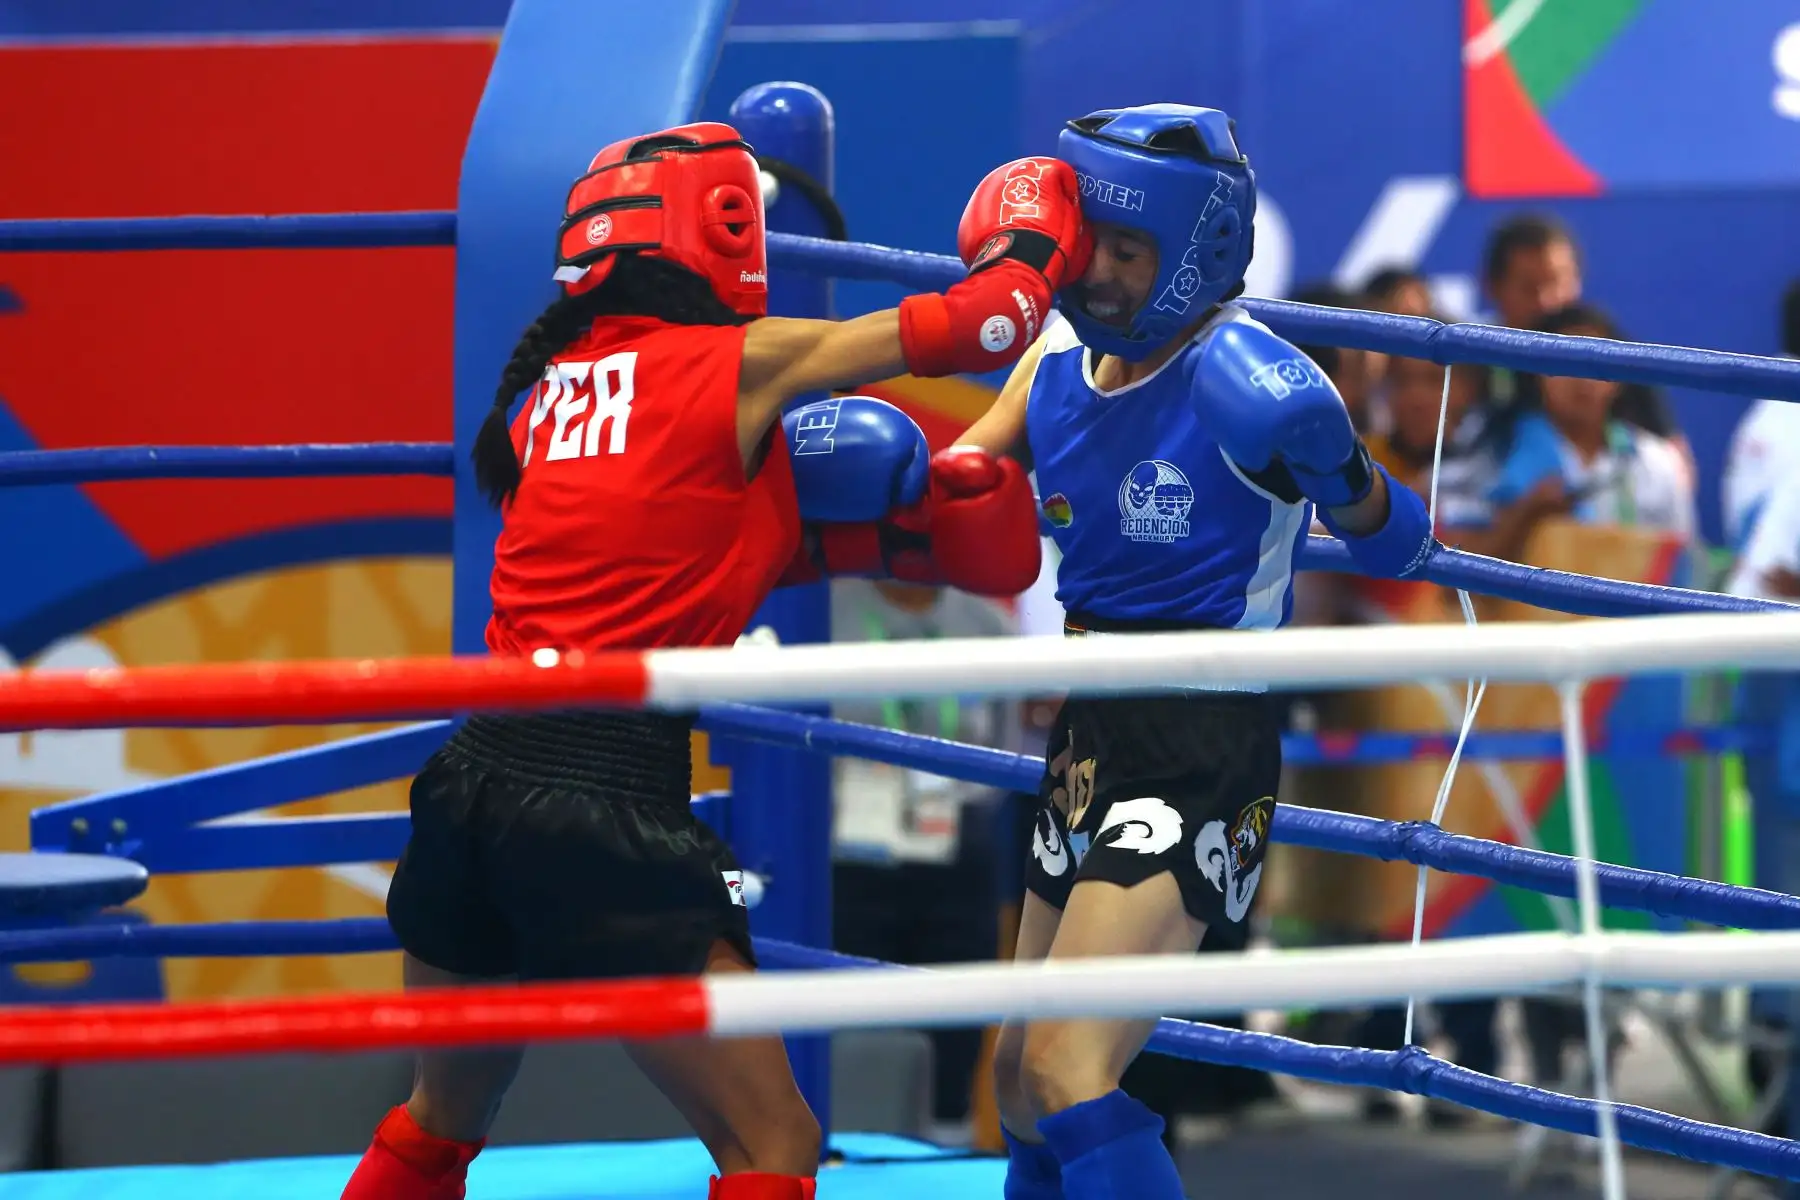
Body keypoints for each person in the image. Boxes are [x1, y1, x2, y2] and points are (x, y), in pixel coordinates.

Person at [337, 121, 1089, 1200]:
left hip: (471, 788)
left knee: (441, 1119)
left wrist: (912, 525)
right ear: (726, 228)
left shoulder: (547, 395)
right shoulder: (734, 364)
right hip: (604, 800)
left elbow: (680, 552)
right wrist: (1035, 242)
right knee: (771, 1143)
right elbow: (980, 326)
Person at [952, 104, 1438, 1200]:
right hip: (1087, 732)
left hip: (1197, 737)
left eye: (1134, 252)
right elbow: (949, 493)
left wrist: (1342, 465)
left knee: (1067, 1071)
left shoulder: (1248, 374)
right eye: (1098, 247)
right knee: (1020, 1087)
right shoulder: (1053, 369)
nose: (1107, 275)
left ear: (1196, 253)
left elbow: (1390, 540)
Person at [829, 577, 1019, 1142]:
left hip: (957, 855)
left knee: (953, 1036)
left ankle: (944, 1154)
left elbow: (1006, 752)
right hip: (851, 858)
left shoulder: (988, 625)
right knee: (854, 1027)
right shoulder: (826, 612)